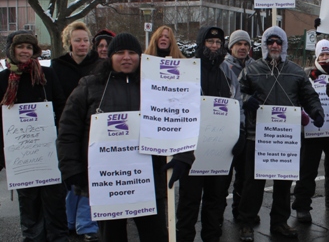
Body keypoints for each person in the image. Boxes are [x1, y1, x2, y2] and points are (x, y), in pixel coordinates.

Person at [57, 33, 195, 242]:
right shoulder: (90, 85)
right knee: (112, 236)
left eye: (132, 52)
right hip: (107, 182)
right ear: (109, 56)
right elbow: (68, 131)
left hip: (149, 179)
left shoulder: (156, 87)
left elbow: (179, 122)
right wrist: (72, 170)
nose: (126, 57)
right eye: (120, 52)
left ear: (141, 57)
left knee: (156, 235)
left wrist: (183, 157)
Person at [237, 26, 324, 241]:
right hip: (256, 136)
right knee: (253, 184)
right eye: (270, 41)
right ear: (265, 44)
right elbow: (236, 93)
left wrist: (317, 111)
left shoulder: (296, 72)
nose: (274, 45)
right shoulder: (251, 70)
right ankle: (246, 222)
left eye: (278, 42)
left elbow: (309, 96)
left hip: (286, 137)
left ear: (283, 45)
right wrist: (247, 101)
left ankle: (279, 222)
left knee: (284, 183)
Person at [175, 26, 243, 242]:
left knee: (216, 201)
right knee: (189, 201)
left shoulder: (227, 71)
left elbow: (237, 103)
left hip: (221, 150)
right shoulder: (188, 70)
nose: (214, 46)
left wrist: (239, 132)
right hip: (193, 149)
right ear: (201, 43)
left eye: (217, 43)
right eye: (209, 42)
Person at [0, 31, 68, 242]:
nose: (25, 51)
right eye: (20, 47)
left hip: (48, 150)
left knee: (55, 201)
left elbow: (61, 104)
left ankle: (58, 238)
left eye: (29, 48)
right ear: (12, 50)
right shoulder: (3, 80)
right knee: (29, 205)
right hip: (20, 154)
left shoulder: (46, 75)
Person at [51, 20, 101, 242]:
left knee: (89, 175)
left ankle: (85, 222)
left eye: (86, 40)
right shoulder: (58, 66)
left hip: (92, 126)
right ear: (68, 42)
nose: (82, 44)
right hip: (67, 124)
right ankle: (70, 219)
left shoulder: (100, 65)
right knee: (72, 174)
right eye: (77, 40)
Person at [292, 39, 329, 224]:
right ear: (317, 56)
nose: (325, 58)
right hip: (313, 130)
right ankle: (302, 206)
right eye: (322, 54)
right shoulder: (307, 75)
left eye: (328, 54)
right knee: (307, 169)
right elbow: (300, 97)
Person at [223, 30, 256, 222]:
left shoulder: (255, 67)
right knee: (223, 178)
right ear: (231, 47)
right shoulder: (223, 67)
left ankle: (240, 211)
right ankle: (217, 215)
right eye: (238, 44)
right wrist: (245, 100)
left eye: (246, 44)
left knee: (245, 176)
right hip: (226, 129)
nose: (242, 47)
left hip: (248, 130)